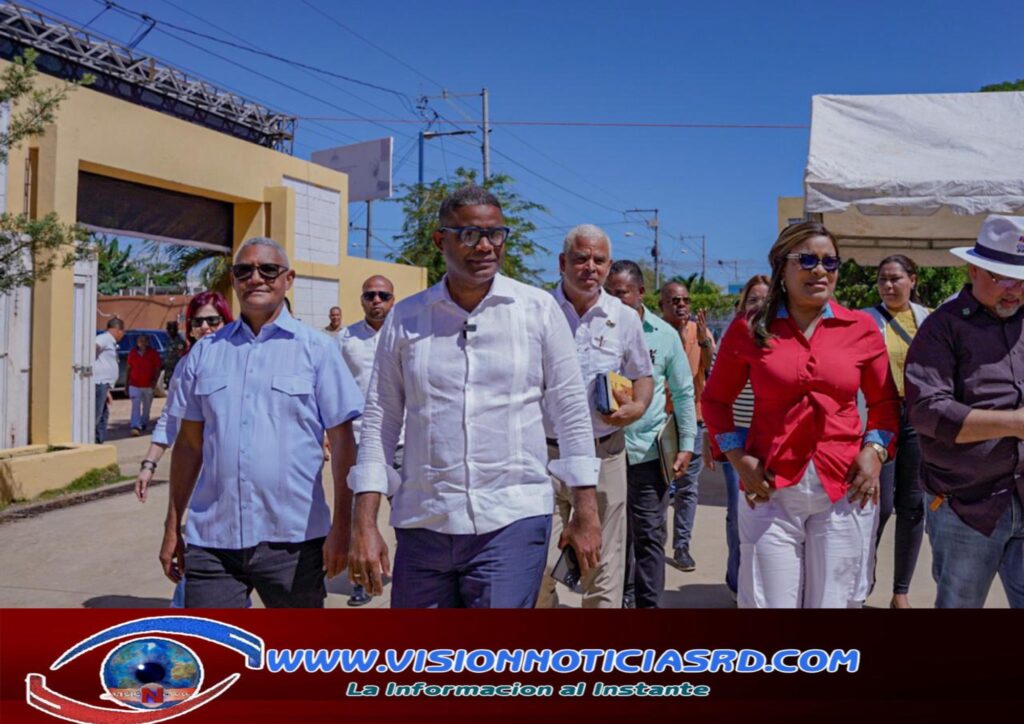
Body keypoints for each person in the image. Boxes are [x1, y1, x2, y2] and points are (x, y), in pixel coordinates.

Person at [347, 186, 601, 608]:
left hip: (511, 520)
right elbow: (380, 419)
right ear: (440, 240)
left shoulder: (537, 310)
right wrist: (364, 521)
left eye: (495, 234)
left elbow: (571, 411)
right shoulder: (406, 318)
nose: (485, 246)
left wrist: (585, 512)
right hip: (424, 522)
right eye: (469, 235)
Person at [702, 221, 900, 608]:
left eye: (830, 262)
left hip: (844, 488)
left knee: (836, 604)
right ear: (782, 265)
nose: (820, 270)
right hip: (769, 491)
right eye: (807, 260)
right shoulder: (750, 329)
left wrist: (874, 452)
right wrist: (739, 459)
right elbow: (715, 402)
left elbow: (885, 404)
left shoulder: (860, 328)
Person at [161, 237, 364, 608]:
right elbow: (189, 445)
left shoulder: (317, 349)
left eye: (268, 270)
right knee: (211, 642)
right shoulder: (206, 353)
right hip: (213, 542)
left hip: (294, 542)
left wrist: (343, 527)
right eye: (244, 271)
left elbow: (343, 445)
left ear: (288, 279)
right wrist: (172, 524)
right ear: (234, 280)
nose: (255, 278)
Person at [904, 214, 1024, 609]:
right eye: (1003, 278)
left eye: (1022, 280)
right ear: (973, 270)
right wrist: (1014, 424)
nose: (1015, 290)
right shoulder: (942, 328)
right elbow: (928, 411)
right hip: (967, 504)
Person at [536, 225, 654, 609]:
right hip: (543, 456)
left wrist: (637, 406)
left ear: (608, 265)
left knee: (604, 571)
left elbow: (643, 376)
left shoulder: (624, 318)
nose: (590, 267)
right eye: (581, 258)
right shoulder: (536, 312)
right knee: (540, 565)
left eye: (599, 260)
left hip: (605, 453)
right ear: (562, 262)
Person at [134, 292, 234, 608]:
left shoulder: (241, 361)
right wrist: (149, 463)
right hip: (199, 478)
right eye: (197, 322)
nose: (205, 327)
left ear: (226, 321)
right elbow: (170, 419)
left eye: (213, 320)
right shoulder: (186, 366)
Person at [605, 260, 695, 608]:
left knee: (649, 535)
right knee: (614, 537)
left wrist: (686, 445)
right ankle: (622, 598)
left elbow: (683, 393)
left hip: (647, 454)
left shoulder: (664, 335)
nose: (613, 301)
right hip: (605, 452)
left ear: (640, 293)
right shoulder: (595, 330)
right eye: (608, 293)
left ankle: (648, 605)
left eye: (621, 293)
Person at [862, 255, 930, 609]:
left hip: (917, 418)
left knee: (912, 506)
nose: (888, 286)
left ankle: (900, 591)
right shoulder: (863, 320)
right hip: (879, 418)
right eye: (882, 280)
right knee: (879, 505)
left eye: (895, 279)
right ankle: (861, 579)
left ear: (912, 280)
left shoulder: (929, 319)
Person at [703, 274, 770, 601]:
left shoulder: (785, 337)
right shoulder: (733, 337)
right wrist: (711, 436)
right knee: (738, 507)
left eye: (765, 300)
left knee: (769, 506)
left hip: (771, 433)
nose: (758, 305)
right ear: (742, 305)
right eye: (752, 300)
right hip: (737, 437)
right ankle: (737, 578)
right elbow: (714, 394)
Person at [338, 274, 396, 607]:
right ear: (361, 299)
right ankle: (361, 581)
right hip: (360, 441)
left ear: (392, 300)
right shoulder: (346, 340)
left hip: (403, 440)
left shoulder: (404, 335)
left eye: (383, 296)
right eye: (370, 295)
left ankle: (413, 575)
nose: (376, 301)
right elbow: (333, 388)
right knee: (359, 517)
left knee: (408, 514)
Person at [659, 281, 715, 572]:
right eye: (674, 301)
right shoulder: (655, 333)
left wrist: (704, 341)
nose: (681, 305)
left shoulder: (700, 332)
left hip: (693, 421)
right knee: (659, 487)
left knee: (687, 489)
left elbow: (711, 368)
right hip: (660, 423)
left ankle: (682, 546)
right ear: (662, 307)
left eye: (685, 300)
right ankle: (654, 544)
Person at [94, 317, 124, 444]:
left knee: (103, 414)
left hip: (104, 384)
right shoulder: (105, 338)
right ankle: (91, 440)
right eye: (122, 332)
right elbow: (94, 346)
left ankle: (98, 440)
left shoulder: (110, 341)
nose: (122, 335)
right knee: (96, 414)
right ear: (118, 330)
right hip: (99, 382)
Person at [126, 333, 162, 436]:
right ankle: (135, 425)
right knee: (135, 405)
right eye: (140, 340)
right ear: (137, 342)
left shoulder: (153, 353)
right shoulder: (132, 353)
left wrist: (154, 381)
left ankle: (144, 422)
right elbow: (129, 368)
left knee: (147, 406)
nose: (142, 343)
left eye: (144, 340)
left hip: (148, 385)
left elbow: (157, 368)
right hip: (134, 384)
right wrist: (126, 384)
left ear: (148, 342)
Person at [163, 321, 187, 389]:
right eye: (168, 329)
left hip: (177, 372)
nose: (170, 331)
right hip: (168, 371)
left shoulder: (180, 342)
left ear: (175, 330)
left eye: (172, 329)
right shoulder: (168, 340)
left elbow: (180, 356)